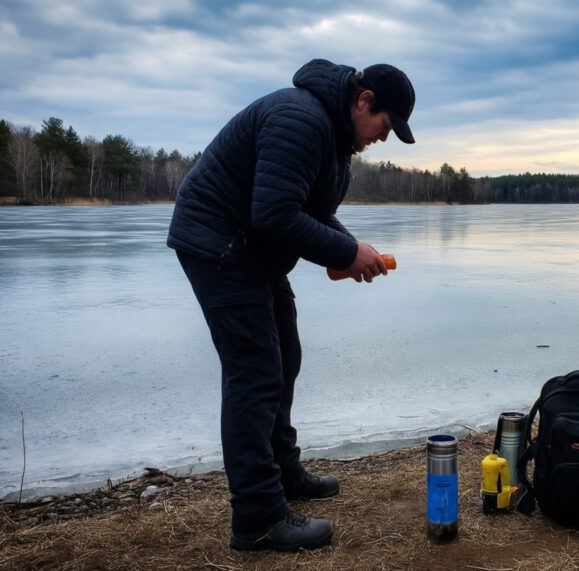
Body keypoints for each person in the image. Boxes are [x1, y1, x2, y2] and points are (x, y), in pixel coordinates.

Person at [167, 58, 415, 551]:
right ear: (363, 102)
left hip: (250, 249)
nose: (382, 138)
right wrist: (347, 252)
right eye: (385, 126)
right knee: (255, 372)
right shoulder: (300, 119)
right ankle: (258, 518)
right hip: (220, 245)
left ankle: (283, 473)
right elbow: (275, 214)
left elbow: (312, 212)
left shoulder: (332, 133)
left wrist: (350, 250)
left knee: (286, 356)